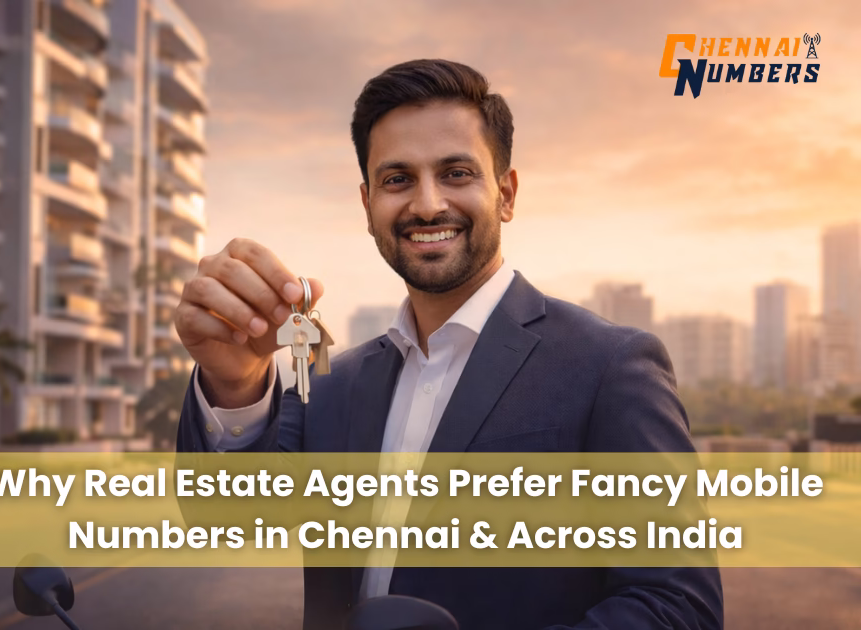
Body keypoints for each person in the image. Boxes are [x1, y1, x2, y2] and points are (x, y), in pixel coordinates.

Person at [173, 59, 723, 629]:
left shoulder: (609, 366)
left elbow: (676, 606)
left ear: (506, 194)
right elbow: (229, 520)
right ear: (367, 207)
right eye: (397, 179)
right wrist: (235, 383)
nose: (428, 203)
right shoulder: (334, 381)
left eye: (456, 173)